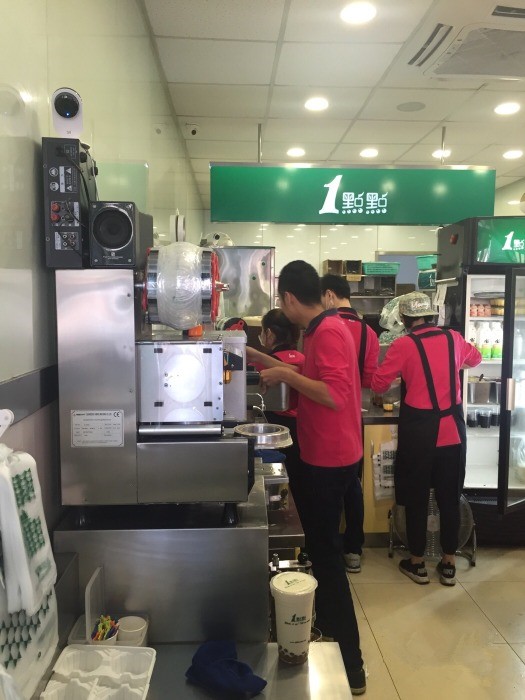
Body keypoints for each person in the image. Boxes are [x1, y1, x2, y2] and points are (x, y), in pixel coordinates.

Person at [248, 261, 366, 695]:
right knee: (321, 551)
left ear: (289, 299)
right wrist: (258, 358)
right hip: (327, 454)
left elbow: (334, 394)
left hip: (329, 460)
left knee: (328, 560)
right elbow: (313, 379)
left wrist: (283, 374)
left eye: (281, 301)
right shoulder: (320, 329)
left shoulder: (329, 331)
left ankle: (351, 666)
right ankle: (333, 644)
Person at [371, 292, 481, 586]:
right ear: (432, 315)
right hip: (452, 433)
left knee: (416, 498)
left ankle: (417, 563)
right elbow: (476, 358)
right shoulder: (453, 338)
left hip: (419, 435)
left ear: (404, 319)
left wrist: (402, 376)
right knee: (449, 498)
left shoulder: (403, 345)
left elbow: (378, 384)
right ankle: (448, 564)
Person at [321, 274, 380, 574]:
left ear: (330, 295)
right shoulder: (369, 333)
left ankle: (327, 551)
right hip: (355, 415)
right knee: (352, 484)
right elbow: (370, 380)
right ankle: (354, 549)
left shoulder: (323, 327)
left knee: (325, 487)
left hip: (324, 417)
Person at [248, 308, 305, 506]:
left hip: (278, 430)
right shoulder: (303, 359)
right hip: (303, 429)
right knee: (300, 483)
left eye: (262, 331)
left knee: (281, 482)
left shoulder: (264, 366)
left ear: (269, 333)